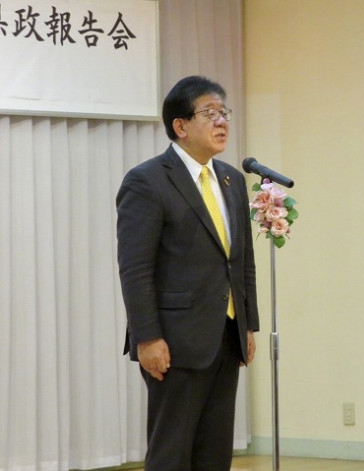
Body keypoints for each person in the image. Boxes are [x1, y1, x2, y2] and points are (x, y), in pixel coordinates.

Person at [116, 75, 260, 471]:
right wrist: (147, 337)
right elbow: (135, 268)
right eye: (210, 113)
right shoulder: (147, 181)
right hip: (174, 341)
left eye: (224, 112)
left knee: (214, 451)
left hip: (225, 336)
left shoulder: (232, 180)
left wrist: (247, 324)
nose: (222, 121)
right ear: (180, 126)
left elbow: (241, 261)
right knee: (172, 452)